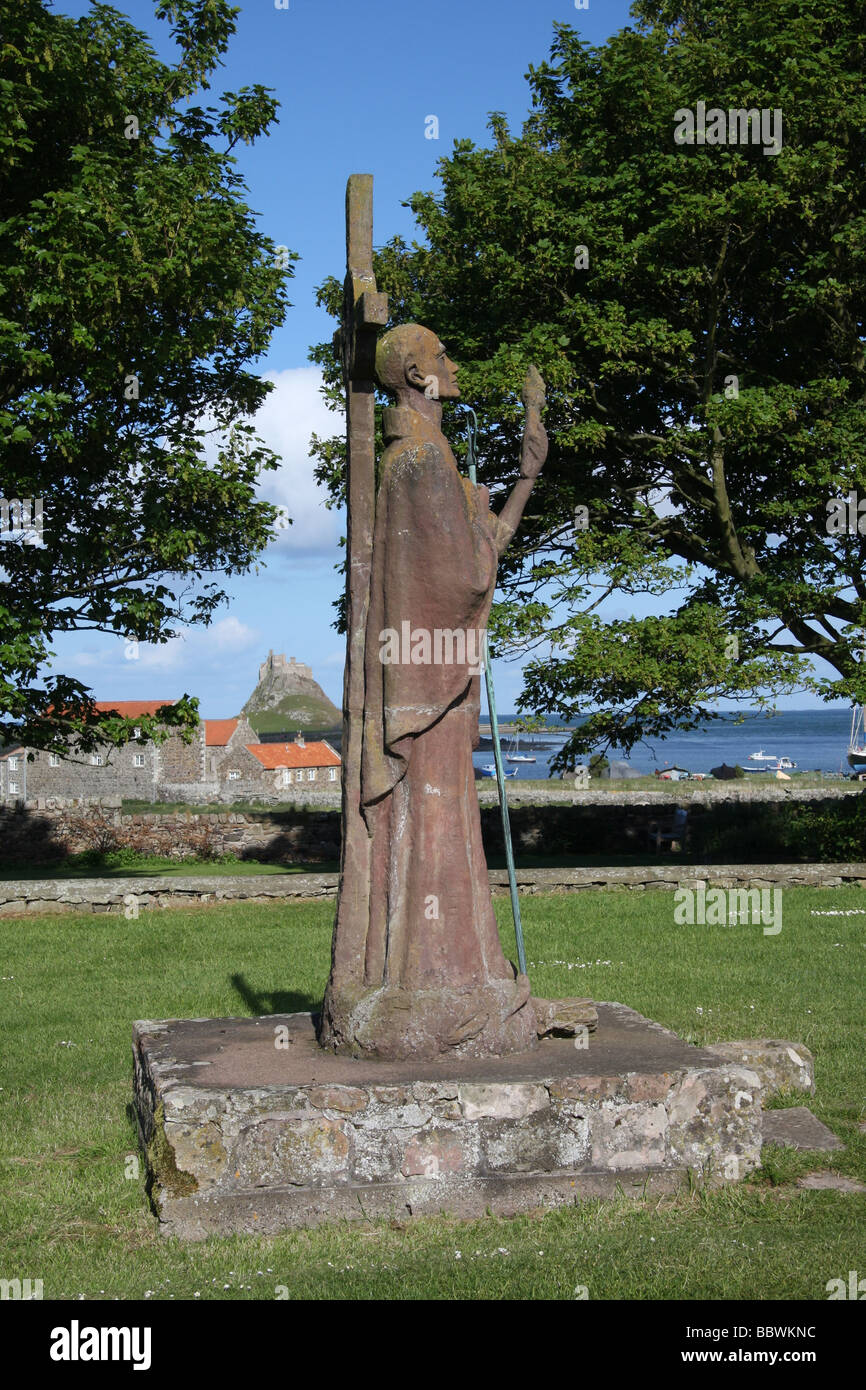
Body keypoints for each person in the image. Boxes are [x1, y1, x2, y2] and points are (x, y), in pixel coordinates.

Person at [320, 325, 547, 1059]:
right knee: (433, 826)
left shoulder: (418, 457)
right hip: (430, 686)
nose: (454, 365)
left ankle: (448, 974)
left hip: (429, 679)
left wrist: (524, 480)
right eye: (444, 356)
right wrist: (503, 499)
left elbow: (471, 560)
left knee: (439, 825)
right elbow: (464, 579)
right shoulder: (420, 458)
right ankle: (432, 983)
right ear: (417, 373)